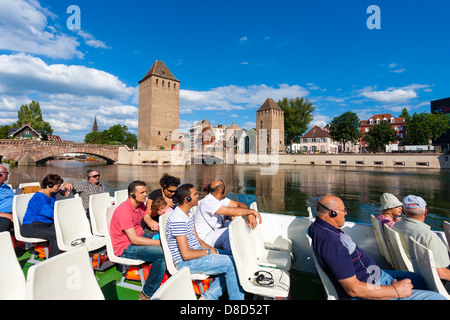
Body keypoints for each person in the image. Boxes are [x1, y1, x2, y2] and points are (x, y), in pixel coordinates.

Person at [308, 195, 446, 300]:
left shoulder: (322, 228)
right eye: (344, 210)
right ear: (332, 213)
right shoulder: (331, 242)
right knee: (438, 298)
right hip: (371, 285)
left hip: (375, 275)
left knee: (417, 279)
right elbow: (353, 289)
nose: (346, 213)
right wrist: (394, 290)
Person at [166, 183, 245, 300]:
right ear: (187, 199)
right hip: (186, 263)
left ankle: (208, 297)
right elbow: (186, 255)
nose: (198, 196)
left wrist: (211, 249)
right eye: (195, 194)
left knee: (237, 259)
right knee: (231, 264)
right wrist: (208, 252)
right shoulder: (178, 219)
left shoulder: (187, 214)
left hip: (197, 253)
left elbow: (197, 239)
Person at [109, 180, 166, 300]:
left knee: (165, 239)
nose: (146, 195)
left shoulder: (140, 205)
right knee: (162, 253)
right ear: (132, 195)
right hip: (125, 247)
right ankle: (147, 293)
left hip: (139, 237)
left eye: (145, 191)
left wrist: (164, 231)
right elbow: (134, 240)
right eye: (142, 192)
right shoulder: (124, 211)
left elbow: (150, 222)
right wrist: (160, 243)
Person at [393, 195, 450, 286]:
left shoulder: (396, 226)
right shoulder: (429, 236)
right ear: (426, 212)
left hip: (416, 271)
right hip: (437, 282)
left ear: (403, 211)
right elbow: (441, 273)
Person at [194, 179, 261, 251]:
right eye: (226, 189)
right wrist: (251, 211)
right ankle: (231, 254)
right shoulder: (208, 202)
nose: (227, 191)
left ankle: (251, 247)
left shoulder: (220, 199)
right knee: (229, 232)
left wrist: (249, 214)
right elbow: (231, 211)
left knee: (239, 223)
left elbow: (239, 204)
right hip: (205, 238)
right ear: (221, 191)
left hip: (216, 230)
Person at [21, 174, 72, 258]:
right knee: (56, 234)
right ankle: (54, 260)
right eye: (58, 186)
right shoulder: (40, 197)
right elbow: (51, 213)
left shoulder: (51, 193)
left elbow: (59, 190)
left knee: (66, 230)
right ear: (49, 185)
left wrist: (61, 190)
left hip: (45, 224)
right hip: (30, 226)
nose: (59, 188)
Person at [0, 165, 15, 232]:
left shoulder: (6, 187)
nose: (8, 174)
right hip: (3, 214)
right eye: (6, 172)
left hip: (14, 211)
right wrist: (8, 215)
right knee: (5, 222)